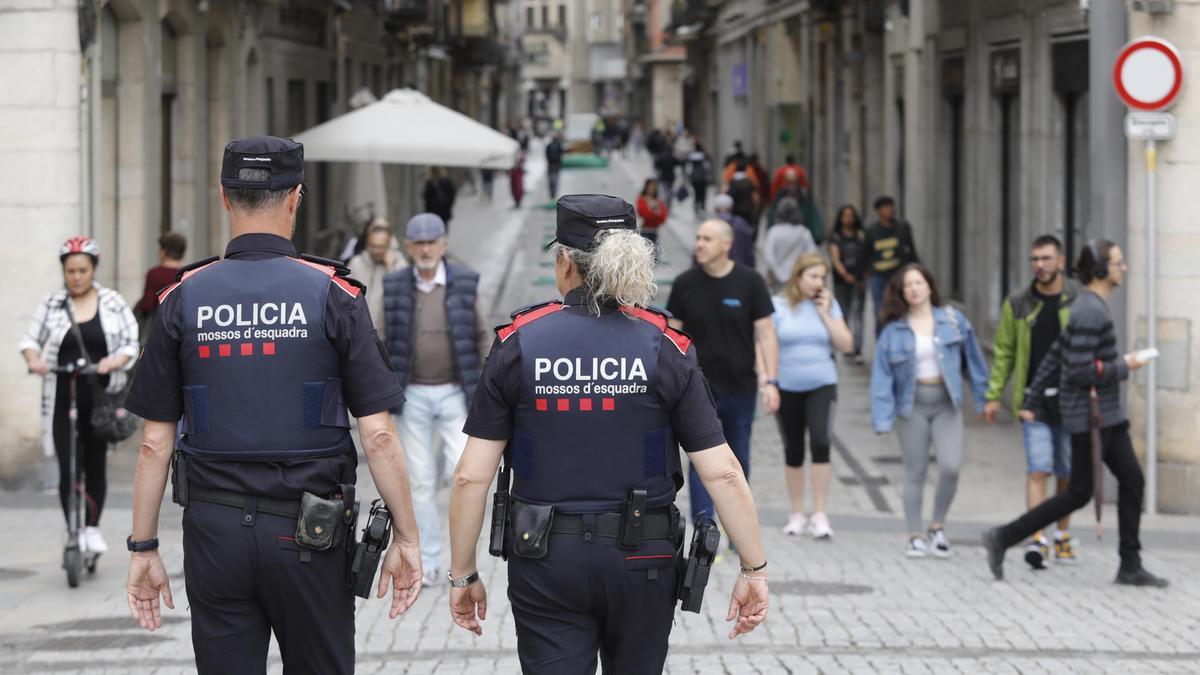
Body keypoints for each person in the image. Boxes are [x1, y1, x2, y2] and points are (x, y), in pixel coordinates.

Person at [122, 136, 424, 672]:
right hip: (311, 531)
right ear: (296, 198)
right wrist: (406, 536)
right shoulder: (335, 295)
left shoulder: (182, 298)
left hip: (214, 533)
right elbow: (377, 434)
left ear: (223, 197)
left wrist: (143, 547)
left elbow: (153, 442)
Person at [447, 195, 769, 671]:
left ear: (564, 264)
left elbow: (470, 478)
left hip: (546, 559)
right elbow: (722, 472)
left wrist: (462, 574)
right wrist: (753, 567)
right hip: (643, 558)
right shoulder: (666, 346)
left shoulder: (519, 344)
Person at [984, 241, 1168, 588]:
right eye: (1117, 262)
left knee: (1132, 481)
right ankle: (1003, 536)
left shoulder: (1088, 306)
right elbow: (1081, 370)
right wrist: (1125, 365)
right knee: (1078, 492)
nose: (1123, 268)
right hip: (1091, 418)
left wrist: (1033, 397)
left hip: (1107, 417)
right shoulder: (1090, 311)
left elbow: (1056, 354)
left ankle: (1130, 564)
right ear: (1100, 269)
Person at [382, 212, 492, 587]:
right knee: (421, 480)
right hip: (411, 393)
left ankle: (464, 561)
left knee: (464, 475)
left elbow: (481, 336)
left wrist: (485, 391)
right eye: (419, 243)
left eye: (433, 242)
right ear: (410, 247)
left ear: (444, 245)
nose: (426, 249)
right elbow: (380, 337)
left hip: (455, 393)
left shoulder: (464, 281)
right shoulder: (395, 284)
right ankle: (428, 560)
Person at [20, 237, 139, 554]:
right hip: (63, 396)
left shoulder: (111, 301)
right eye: (70, 271)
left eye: (82, 270)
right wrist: (34, 360)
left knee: (95, 463)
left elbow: (131, 340)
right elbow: (31, 339)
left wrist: (116, 360)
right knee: (68, 466)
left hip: (99, 398)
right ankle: (74, 528)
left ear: (93, 269)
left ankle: (92, 528)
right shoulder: (52, 304)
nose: (76, 277)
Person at [870, 264, 989, 558]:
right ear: (901, 292)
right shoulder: (893, 330)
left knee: (950, 467)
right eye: (907, 285)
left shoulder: (952, 320)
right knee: (915, 470)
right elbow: (881, 376)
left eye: (918, 283)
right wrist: (882, 416)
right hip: (912, 406)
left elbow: (974, 359)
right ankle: (913, 534)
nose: (913, 289)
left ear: (930, 287)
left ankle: (937, 525)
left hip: (947, 403)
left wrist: (985, 397)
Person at [667, 219, 780, 525]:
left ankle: (737, 525)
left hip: (741, 388)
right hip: (698, 392)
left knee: (738, 459)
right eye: (698, 237)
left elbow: (767, 334)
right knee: (702, 461)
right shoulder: (685, 284)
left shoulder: (750, 282)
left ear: (726, 245)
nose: (699, 244)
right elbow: (672, 338)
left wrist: (770, 380)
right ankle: (706, 529)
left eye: (707, 239)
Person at [983, 235, 1082, 569]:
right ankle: (1037, 538)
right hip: (1034, 401)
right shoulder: (1019, 303)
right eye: (1035, 259)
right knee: (1038, 468)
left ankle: (1062, 536)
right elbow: (1004, 352)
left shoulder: (1077, 299)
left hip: (1071, 400)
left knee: (1066, 473)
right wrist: (994, 394)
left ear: (1061, 261)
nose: (1040, 265)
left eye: (1046, 258)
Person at [773, 254, 853, 539]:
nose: (818, 283)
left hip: (822, 384)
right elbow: (766, 344)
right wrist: (766, 382)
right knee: (793, 449)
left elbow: (846, 344)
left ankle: (820, 513)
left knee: (821, 442)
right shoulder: (778, 306)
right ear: (798, 276)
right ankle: (797, 513)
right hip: (787, 384)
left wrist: (826, 314)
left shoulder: (829, 306)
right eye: (813, 277)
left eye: (822, 278)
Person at [865, 195, 919, 336]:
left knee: (902, 310)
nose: (890, 210)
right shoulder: (872, 231)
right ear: (878, 211)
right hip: (878, 277)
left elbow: (911, 251)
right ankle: (883, 343)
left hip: (898, 277)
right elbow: (865, 254)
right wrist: (865, 275)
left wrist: (915, 270)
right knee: (880, 312)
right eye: (886, 207)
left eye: (891, 206)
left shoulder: (902, 228)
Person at [346, 218, 403, 335]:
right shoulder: (356, 263)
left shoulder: (399, 264)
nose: (377, 251)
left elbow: (402, 298)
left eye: (381, 247)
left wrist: (391, 268)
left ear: (389, 243)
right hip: (359, 333)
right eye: (373, 246)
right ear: (367, 242)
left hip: (388, 335)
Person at [828, 205, 868, 360]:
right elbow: (835, 258)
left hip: (859, 279)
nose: (848, 218)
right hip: (841, 280)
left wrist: (863, 275)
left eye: (851, 215)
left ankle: (856, 347)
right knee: (843, 312)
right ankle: (845, 344)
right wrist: (845, 274)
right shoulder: (836, 237)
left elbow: (866, 254)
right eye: (845, 215)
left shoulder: (860, 235)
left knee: (858, 313)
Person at [763, 197, 817, 290]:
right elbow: (812, 254)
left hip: (778, 278)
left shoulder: (774, 231)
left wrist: (778, 273)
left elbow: (769, 256)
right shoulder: (804, 232)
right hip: (798, 277)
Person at [135, 232, 187, 327]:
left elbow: (147, 306)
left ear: (164, 251)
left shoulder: (154, 274)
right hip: (183, 326)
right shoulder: (188, 274)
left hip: (160, 327)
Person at [727, 161, 759, 235]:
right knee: (748, 230)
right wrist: (755, 209)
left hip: (736, 211)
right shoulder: (749, 182)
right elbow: (755, 197)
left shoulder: (732, 182)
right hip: (748, 210)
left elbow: (728, 197)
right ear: (745, 169)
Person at [635, 178, 669, 247]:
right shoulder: (642, 199)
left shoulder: (658, 201)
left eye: (653, 187)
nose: (651, 189)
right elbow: (643, 213)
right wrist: (654, 213)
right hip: (644, 229)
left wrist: (654, 213)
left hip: (654, 230)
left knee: (654, 252)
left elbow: (662, 217)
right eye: (650, 187)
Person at [685, 142, 713, 218]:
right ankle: (702, 207)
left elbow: (688, 169)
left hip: (694, 179)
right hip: (702, 178)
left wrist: (689, 177)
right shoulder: (704, 156)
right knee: (703, 193)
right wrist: (708, 176)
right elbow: (708, 167)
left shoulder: (691, 157)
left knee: (696, 193)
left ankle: (696, 207)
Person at [545, 133, 564, 199]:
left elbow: (546, 155)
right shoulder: (559, 145)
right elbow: (561, 154)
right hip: (556, 165)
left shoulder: (549, 146)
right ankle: (554, 194)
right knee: (555, 180)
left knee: (551, 180)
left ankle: (552, 194)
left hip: (551, 165)